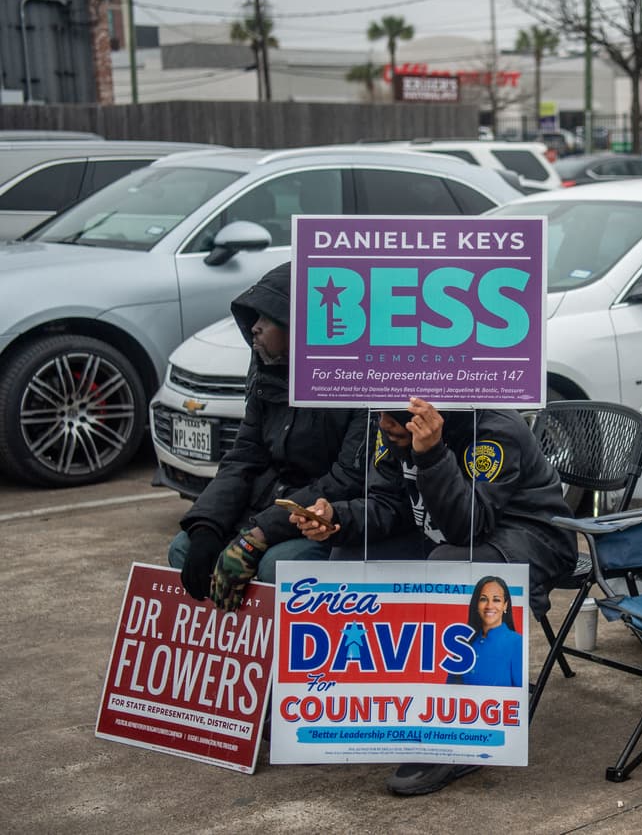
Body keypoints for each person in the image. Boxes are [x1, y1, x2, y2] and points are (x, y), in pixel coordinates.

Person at [292, 396, 576, 797]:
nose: (386, 424)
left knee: (451, 564)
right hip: (453, 531)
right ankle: (353, 705)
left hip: (530, 536)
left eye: (397, 417)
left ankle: (454, 738)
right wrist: (338, 518)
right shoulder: (394, 426)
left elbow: (467, 526)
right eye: (382, 414)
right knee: (351, 554)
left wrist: (431, 454)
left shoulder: (495, 429)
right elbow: (390, 504)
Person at [167, 263, 368, 612]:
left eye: (267, 316)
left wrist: (259, 536)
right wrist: (207, 526)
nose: (254, 327)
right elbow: (243, 457)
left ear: (297, 326)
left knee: (276, 566)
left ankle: (288, 663)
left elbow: (347, 479)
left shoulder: (356, 383)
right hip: (265, 507)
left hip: (322, 519)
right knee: (184, 548)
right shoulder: (267, 374)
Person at [449, 575, 522, 687]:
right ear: (476, 605)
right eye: (483, 599)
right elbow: (449, 690)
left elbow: (520, 696)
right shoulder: (464, 643)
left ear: (505, 605)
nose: (489, 606)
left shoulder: (517, 643)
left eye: (496, 600)